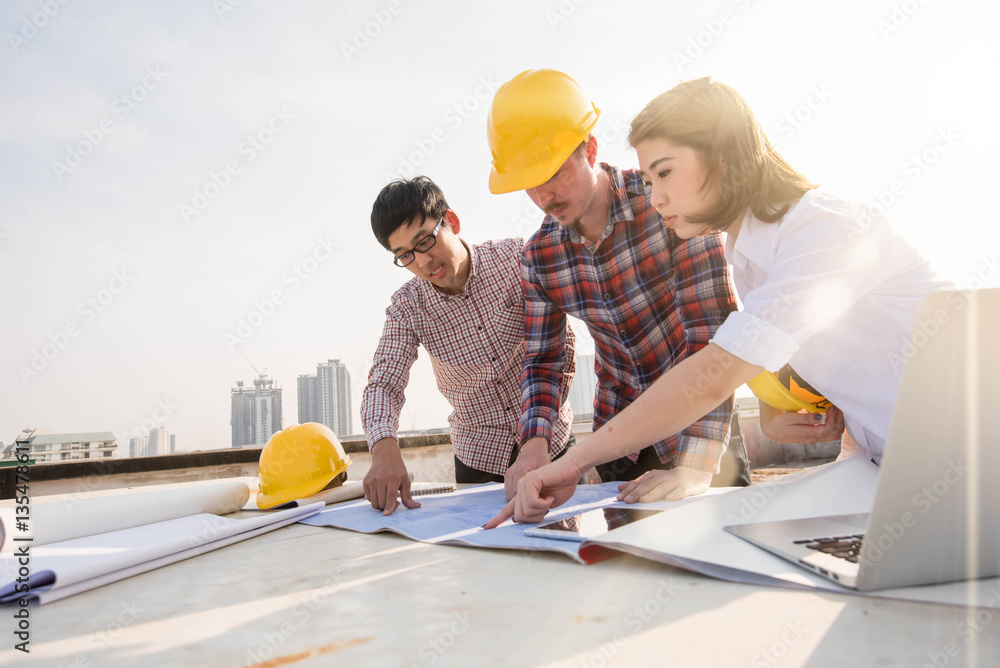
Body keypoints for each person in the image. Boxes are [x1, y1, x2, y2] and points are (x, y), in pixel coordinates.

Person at [486, 77, 950, 527]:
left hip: (953, 464)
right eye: (649, 180)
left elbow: (716, 364)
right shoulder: (748, 257)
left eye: (665, 173)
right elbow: (797, 349)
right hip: (884, 468)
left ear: (725, 158)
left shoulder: (823, 230)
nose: (657, 198)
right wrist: (774, 408)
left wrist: (576, 462)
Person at [487, 69, 748, 492]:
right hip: (621, 439)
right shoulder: (539, 258)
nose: (543, 197)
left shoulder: (667, 206)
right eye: (528, 184)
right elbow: (544, 360)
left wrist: (696, 467)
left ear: (589, 150)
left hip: (703, 424)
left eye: (552, 174)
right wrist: (533, 442)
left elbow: (713, 334)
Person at [361, 176, 575, 515]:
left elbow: (562, 347)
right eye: (405, 256)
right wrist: (384, 447)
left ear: (452, 222)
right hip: (479, 461)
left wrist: (538, 437)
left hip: (551, 444)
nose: (422, 262)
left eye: (425, 241)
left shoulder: (515, 259)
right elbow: (384, 383)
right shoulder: (408, 306)